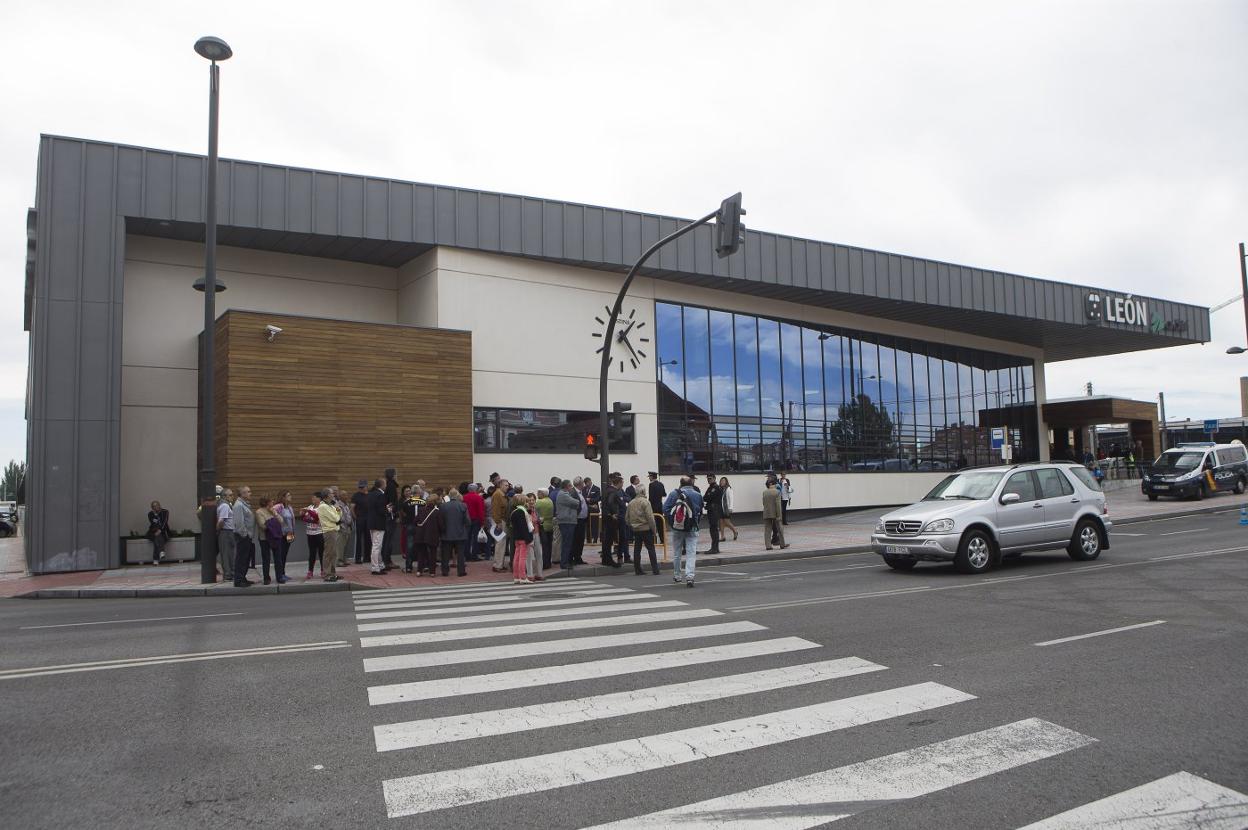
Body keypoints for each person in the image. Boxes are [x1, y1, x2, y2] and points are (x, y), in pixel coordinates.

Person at [663, 476, 703, 587]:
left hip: (677, 527)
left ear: (680, 484)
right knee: (691, 552)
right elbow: (700, 511)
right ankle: (690, 577)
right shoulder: (698, 495)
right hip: (692, 527)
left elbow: (665, 509)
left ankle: (677, 576)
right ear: (692, 484)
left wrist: (673, 522)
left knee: (677, 552)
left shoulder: (673, 494)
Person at [627, 486, 660, 576]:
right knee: (651, 549)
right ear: (642, 491)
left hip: (635, 529)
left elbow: (627, 518)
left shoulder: (631, 503)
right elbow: (650, 517)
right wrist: (654, 530)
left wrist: (631, 526)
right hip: (645, 528)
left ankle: (637, 569)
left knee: (637, 549)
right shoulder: (645, 502)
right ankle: (655, 569)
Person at [439, 489, 470, 577]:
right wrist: (465, 529)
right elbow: (467, 521)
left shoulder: (443, 506)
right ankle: (461, 571)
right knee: (460, 554)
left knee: (445, 554)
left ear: (449, 496)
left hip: (446, 534)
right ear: (457, 496)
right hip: (460, 533)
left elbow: (441, 521)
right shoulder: (463, 505)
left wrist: (442, 530)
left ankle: (445, 571)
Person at [409, 492, 440, 576]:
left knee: (421, 553)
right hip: (432, 535)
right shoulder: (437, 512)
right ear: (435, 502)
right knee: (433, 553)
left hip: (420, 534)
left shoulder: (421, 510)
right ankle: (432, 572)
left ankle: (419, 571)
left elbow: (415, 521)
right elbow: (440, 525)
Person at [315, 490, 342, 582]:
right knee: (329, 553)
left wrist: (337, 509)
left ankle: (333, 573)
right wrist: (337, 515)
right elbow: (335, 518)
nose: (333, 495)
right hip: (329, 531)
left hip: (334, 530)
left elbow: (339, 514)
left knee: (333, 554)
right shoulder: (323, 506)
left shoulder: (330, 505)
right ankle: (327, 574)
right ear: (326, 496)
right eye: (331, 493)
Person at [256, 497, 285, 584]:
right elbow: (263, 525)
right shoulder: (259, 512)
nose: (273, 502)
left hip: (276, 537)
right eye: (271, 500)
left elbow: (281, 521)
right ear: (266, 502)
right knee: (266, 558)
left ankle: (279, 577)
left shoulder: (273, 510)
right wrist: (273, 522)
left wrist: (274, 513)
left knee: (278, 558)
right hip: (264, 538)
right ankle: (266, 578)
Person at [600, 474, 625, 568]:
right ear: (618, 483)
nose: (622, 485)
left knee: (608, 540)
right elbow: (610, 502)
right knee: (609, 540)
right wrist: (613, 513)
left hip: (607, 518)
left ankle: (606, 559)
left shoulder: (608, 490)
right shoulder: (613, 491)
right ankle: (608, 560)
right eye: (622, 483)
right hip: (611, 519)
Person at [509, 493, 535, 584]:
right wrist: (529, 539)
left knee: (516, 557)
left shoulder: (514, 511)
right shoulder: (522, 512)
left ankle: (516, 576)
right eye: (527, 501)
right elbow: (524, 527)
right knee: (522, 558)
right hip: (523, 538)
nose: (528, 503)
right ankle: (523, 577)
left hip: (516, 537)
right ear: (523, 502)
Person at [555, 479, 580, 571]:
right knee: (566, 543)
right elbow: (576, 502)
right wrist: (576, 500)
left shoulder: (565, 494)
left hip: (567, 521)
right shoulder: (563, 494)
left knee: (568, 543)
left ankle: (565, 562)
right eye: (570, 486)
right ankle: (564, 563)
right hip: (567, 521)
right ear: (566, 487)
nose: (572, 487)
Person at [366, 478, 389, 575]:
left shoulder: (370, 494)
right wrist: (388, 510)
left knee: (376, 545)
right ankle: (375, 567)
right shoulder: (381, 495)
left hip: (371, 522)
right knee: (377, 546)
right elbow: (381, 510)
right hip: (379, 523)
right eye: (385, 484)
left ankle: (380, 565)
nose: (386, 486)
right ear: (381, 485)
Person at [215, 488, 238, 584]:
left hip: (229, 531)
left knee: (230, 554)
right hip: (226, 532)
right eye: (230, 495)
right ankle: (228, 575)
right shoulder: (224, 505)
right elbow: (221, 521)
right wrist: (217, 530)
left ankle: (231, 573)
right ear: (225, 496)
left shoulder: (227, 505)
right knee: (227, 554)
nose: (232, 497)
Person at [302, 492, 326, 580]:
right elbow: (305, 518)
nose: (312, 499)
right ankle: (310, 571)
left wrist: (310, 515)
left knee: (321, 552)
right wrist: (304, 514)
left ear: (319, 498)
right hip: (310, 533)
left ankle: (323, 570)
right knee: (312, 553)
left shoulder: (322, 507)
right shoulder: (310, 507)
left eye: (314, 497)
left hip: (319, 532)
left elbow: (318, 518)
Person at [273, 491, 295, 583]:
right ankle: (280, 574)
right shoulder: (279, 507)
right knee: (281, 554)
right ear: (283, 497)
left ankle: (283, 573)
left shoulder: (289, 508)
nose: (290, 497)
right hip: (282, 534)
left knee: (285, 554)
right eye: (288, 495)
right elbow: (272, 513)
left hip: (290, 534)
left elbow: (292, 520)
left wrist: (293, 532)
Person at [763, 478, 790, 551]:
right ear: (772, 484)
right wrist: (779, 515)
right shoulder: (777, 492)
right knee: (780, 529)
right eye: (775, 484)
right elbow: (778, 505)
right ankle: (782, 544)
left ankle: (768, 546)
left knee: (767, 530)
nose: (776, 485)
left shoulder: (764, 492)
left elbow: (763, 503)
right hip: (775, 513)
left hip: (766, 512)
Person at [232, 485, 255, 572]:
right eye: (248, 492)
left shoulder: (244, 504)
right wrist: (245, 535)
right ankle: (239, 579)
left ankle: (243, 577)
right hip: (243, 536)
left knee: (246, 558)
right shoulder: (239, 505)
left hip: (247, 536)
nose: (250, 493)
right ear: (242, 494)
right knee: (241, 558)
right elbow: (239, 523)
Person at [490, 478, 510, 572]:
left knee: (501, 543)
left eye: (508, 485)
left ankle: (499, 564)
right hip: (500, 521)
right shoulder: (498, 495)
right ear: (500, 485)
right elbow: (496, 510)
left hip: (501, 520)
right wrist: (498, 522)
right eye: (506, 485)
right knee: (500, 543)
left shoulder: (501, 494)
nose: (508, 487)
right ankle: (498, 565)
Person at [330, 486, 353, 568]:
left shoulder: (346, 504)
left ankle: (344, 559)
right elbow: (338, 516)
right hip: (342, 527)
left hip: (348, 527)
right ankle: (339, 561)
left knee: (346, 544)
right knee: (340, 545)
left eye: (346, 495)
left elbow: (349, 515)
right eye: (344, 495)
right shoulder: (337, 505)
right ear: (340, 496)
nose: (346, 496)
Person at [463, 483, 486, 561]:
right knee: (475, 538)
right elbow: (481, 510)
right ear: (476, 489)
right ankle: (474, 555)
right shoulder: (479, 498)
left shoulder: (464, 497)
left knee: (467, 538)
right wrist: (483, 521)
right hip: (476, 519)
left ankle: (467, 555)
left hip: (466, 520)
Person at [383, 467, 399, 569]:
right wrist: (395, 514)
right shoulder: (392, 486)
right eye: (396, 474)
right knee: (388, 540)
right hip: (390, 516)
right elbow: (392, 502)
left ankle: (386, 560)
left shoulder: (388, 485)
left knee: (387, 539)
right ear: (393, 475)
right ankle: (387, 561)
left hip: (388, 516)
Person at [526, 493, 544, 582]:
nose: (531, 502)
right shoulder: (525, 510)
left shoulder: (535, 509)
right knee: (529, 555)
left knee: (539, 553)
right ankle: (530, 574)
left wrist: (540, 520)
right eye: (529, 500)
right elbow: (529, 521)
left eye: (533, 500)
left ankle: (539, 574)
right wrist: (537, 520)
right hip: (529, 534)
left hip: (536, 533)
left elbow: (537, 520)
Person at [535, 488, 555, 571]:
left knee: (543, 546)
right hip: (550, 525)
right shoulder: (550, 501)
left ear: (542, 494)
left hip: (543, 526)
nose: (537, 494)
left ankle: (544, 563)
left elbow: (535, 511)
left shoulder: (539, 502)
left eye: (538, 493)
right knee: (549, 546)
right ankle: (548, 562)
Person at [351, 479, 370, 564]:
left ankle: (367, 557)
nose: (362, 488)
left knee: (368, 539)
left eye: (363, 487)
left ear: (366, 487)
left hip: (368, 519)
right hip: (360, 519)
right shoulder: (356, 495)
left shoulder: (369, 495)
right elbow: (352, 508)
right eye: (360, 487)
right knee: (358, 539)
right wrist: (356, 517)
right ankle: (358, 558)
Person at [146, 500, 170, 565]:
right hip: (153, 531)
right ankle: (161, 551)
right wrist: (155, 514)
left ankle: (155, 559)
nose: (156, 507)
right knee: (157, 537)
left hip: (164, 531)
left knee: (157, 538)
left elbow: (164, 522)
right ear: (152, 508)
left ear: (160, 505)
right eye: (154, 506)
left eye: (157, 505)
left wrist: (160, 530)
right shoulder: (150, 514)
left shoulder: (165, 512)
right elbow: (154, 522)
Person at [704, 475, 723, 555]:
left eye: (710, 479)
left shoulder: (715, 488)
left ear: (714, 479)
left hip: (714, 510)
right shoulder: (710, 487)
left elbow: (708, 497)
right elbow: (705, 497)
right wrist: (707, 496)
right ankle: (714, 547)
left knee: (714, 529)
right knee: (712, 529)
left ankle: (715, 548)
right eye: (708, 479)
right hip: (711, 510)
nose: (709, 480)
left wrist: (707, 496)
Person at [572, 476, 589, 565]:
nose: (584, 485)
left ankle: (578, 557)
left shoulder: (581, 492)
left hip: (582, 519)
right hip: (577, 520)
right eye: (582, 483)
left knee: (581, 539)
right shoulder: (574, 493)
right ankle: (576, 557)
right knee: (577, 539)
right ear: (580, 484)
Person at [647, 472, 667, 544]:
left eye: (649, 477)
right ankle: (662, 540)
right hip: (660, 506)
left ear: (652, 477)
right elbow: (664, 494)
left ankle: (654, 539)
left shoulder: (651, 485)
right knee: (660, 524)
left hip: (653, 507)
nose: (649, 478)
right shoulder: (661, 484)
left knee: (652, 523)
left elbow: (651, 497)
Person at [718, 477, 739, 541]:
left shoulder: (728, 489)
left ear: (726, 482)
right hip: (720, 508)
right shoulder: (720, 489)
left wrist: (730, 508)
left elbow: (731, 499)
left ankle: (735, 531)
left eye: (723, 481)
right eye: (721, 481)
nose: (722, 482)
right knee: (721, 522)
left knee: (727, 522)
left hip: (726, 508)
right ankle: (722, 536)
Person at [584, 477, 601, 544]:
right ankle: (588, 539)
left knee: (595, 525)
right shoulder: (584, 489)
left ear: (590, 481)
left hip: (594, 510)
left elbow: (597, 498)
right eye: (585, 483)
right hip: (586, 510)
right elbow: (583, 498)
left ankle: (595, 539)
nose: (586, 485)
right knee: (587, 525)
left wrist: (590, 499)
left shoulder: (596, 489)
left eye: (587, 483)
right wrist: (587, 500)